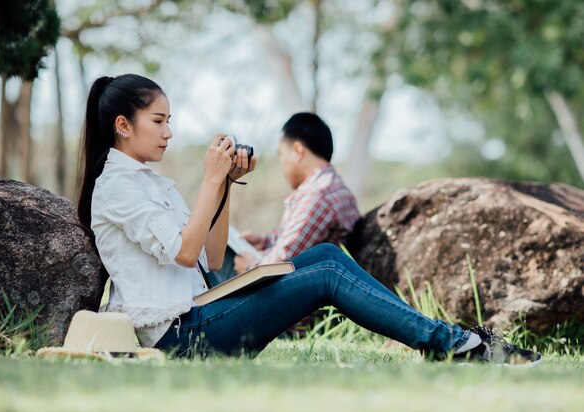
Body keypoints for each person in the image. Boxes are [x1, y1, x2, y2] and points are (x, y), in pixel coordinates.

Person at [77, 73, 542, 366]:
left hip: (201, 315)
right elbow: (182, 253)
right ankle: (454, 346)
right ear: (123, 125)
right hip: (178, 339)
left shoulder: (152, 183)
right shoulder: (116, 186)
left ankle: (450, 343)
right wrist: (207, 180)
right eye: (159, 121)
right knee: (326, 271)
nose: (169, 131)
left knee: (324, 257)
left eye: (169, 120)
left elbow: (210, 254)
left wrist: (223, 187)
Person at [223, 112, 360, 278]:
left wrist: (248, 267)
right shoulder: (328, 186)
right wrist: (264, 241)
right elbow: (299, 240)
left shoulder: (320, 195)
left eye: (281, 154)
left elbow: (281, 264)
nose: (281, 164)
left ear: (298, 151)